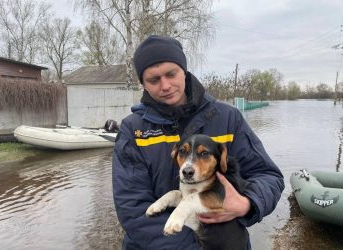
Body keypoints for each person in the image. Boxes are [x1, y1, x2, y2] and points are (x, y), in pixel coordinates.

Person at [112, 35, 284, 249]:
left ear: (184, 71)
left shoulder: (228, 118)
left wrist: (247, 204)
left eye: (171, 74)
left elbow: (267, 175)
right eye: (153, 80)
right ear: (143, 84)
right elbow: (132, 209)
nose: (165, 85)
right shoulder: (133, 130)